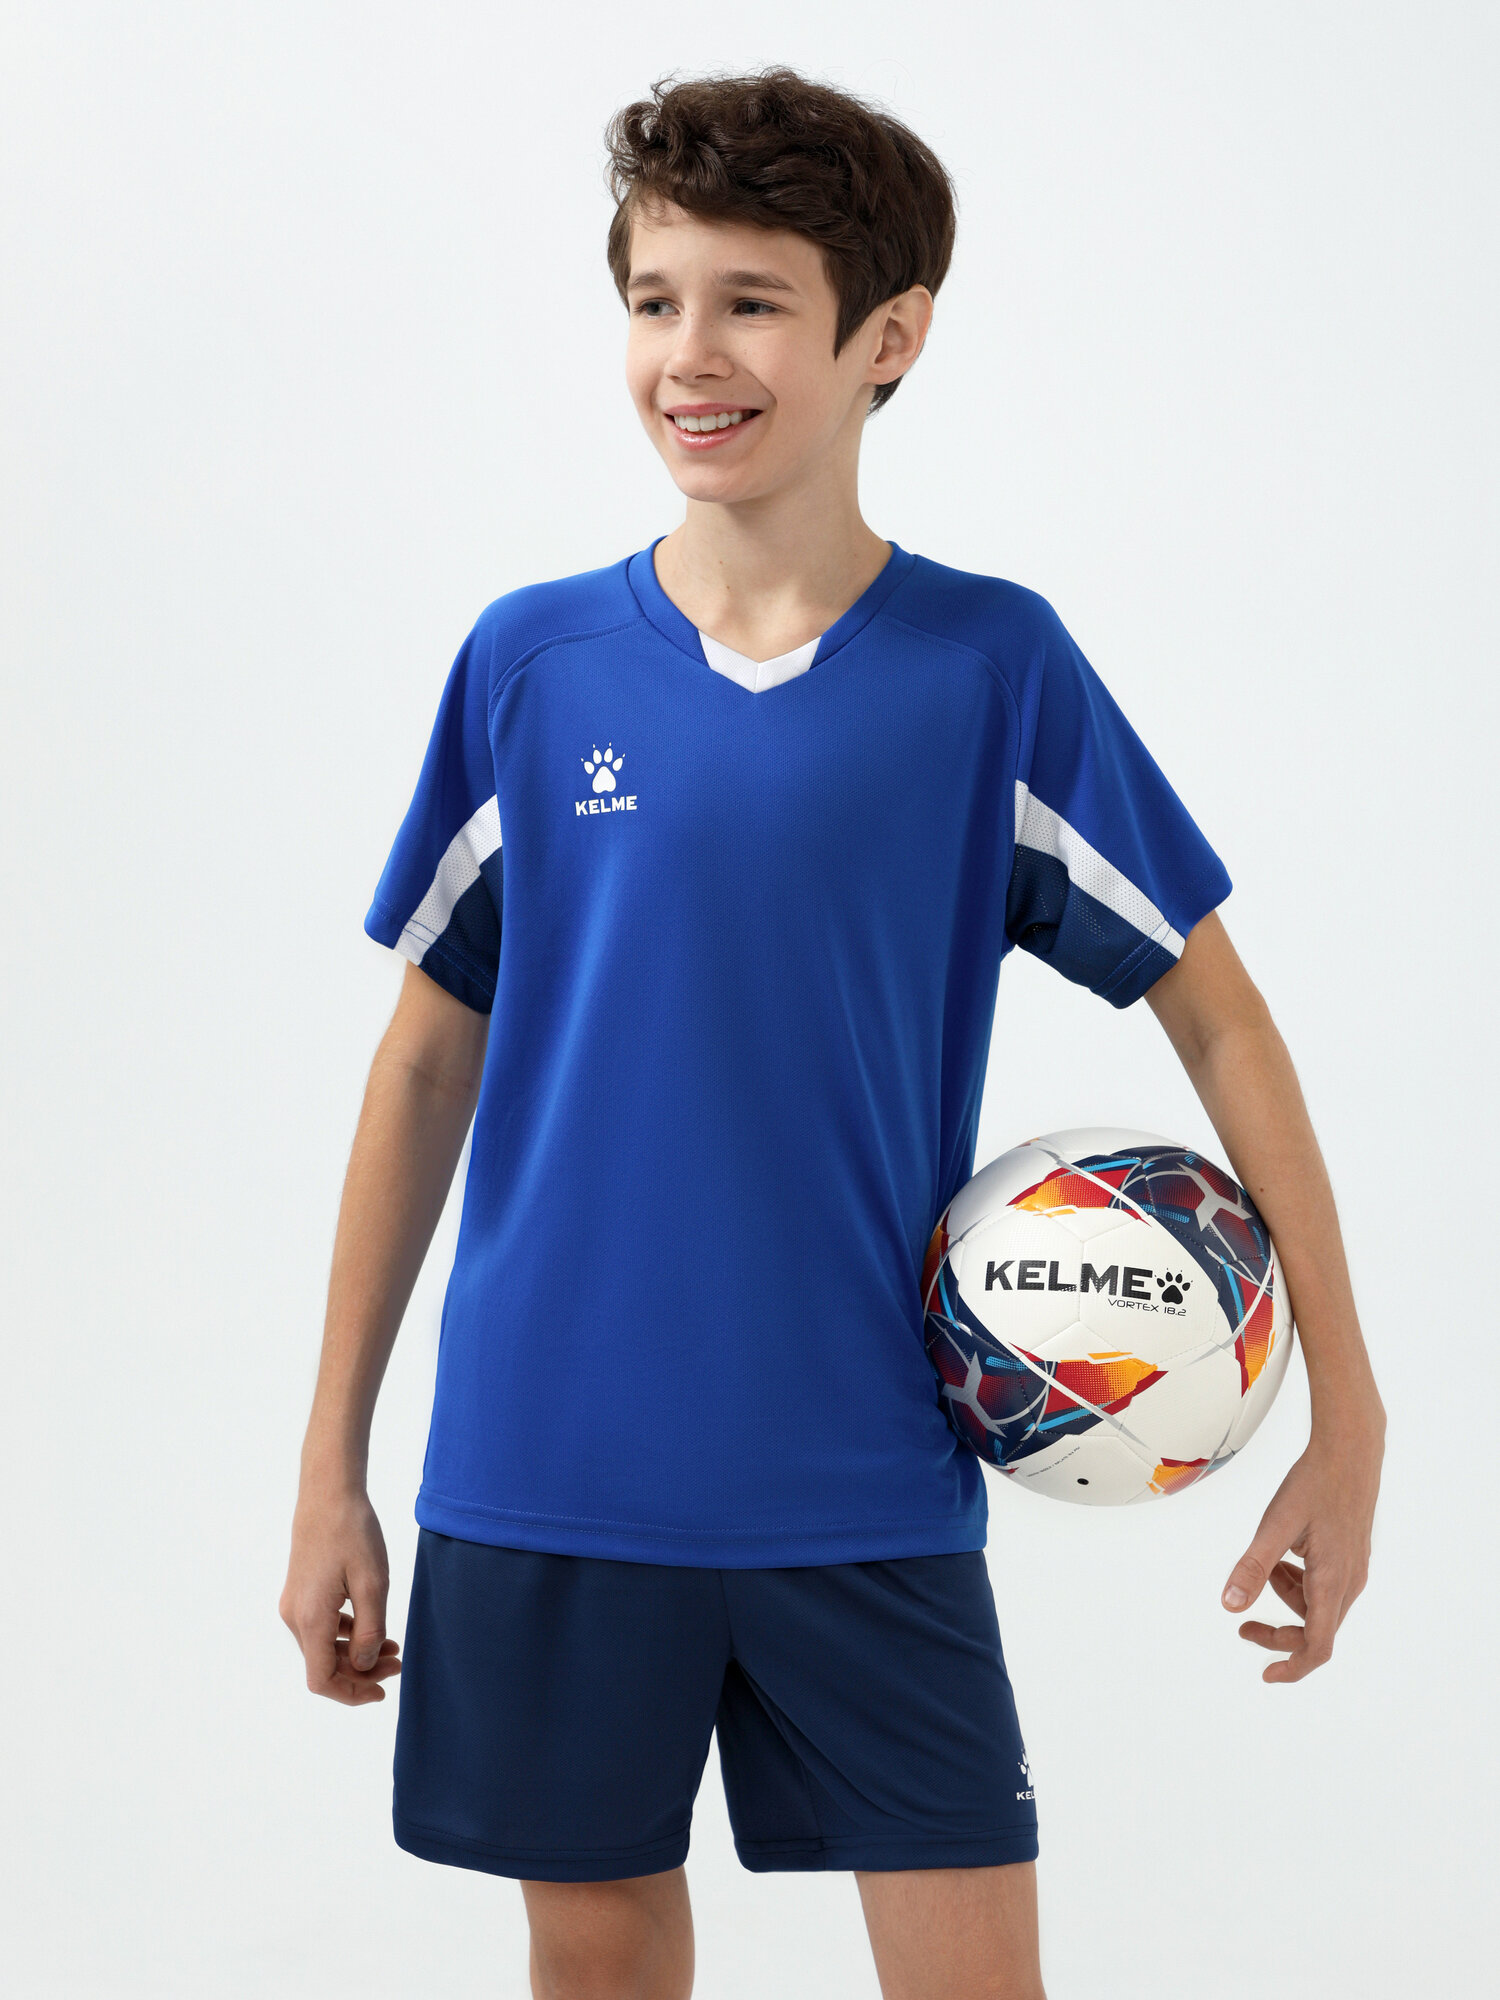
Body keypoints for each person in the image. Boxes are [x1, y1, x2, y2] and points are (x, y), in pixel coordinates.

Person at [279, 67, 1386, 2000]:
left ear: (892, 337)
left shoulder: (989, 669)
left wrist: (1347, 1407)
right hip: (550, 1467)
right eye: (654, 300)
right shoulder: (531, 666)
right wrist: (330, 1465)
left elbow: (1219, 1015)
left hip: (864, 1475)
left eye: (752, 302)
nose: (689, 354)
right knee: (598, 1962)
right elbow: (426, 1063)